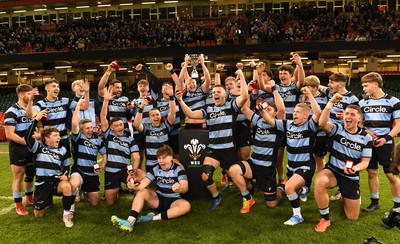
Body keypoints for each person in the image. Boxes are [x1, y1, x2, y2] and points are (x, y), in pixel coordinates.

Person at [176, 68, 248, 211]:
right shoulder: (208, 109)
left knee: (235, 177)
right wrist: (180, 100)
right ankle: (216, 197)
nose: (215, 93)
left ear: (225, 95)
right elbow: (190, 114)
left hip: (228, 149)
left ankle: (247, 195)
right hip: (214, 150)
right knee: (205, 176)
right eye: (214, 92)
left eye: (218, 92)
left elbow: (244, 97)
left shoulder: (231, 106)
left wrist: (241, 76)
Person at [261, 87, 320, 225]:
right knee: (289, 190)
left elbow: (318, 112)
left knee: (289, 188)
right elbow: (270, 121)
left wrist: (309, 95)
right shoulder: (288, 125)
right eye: (294, 111)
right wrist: (262, 110)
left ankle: (298, 216)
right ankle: (303, 188)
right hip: (291, 167)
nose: (294, 114)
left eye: (298, 112)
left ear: (305, 116)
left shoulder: (310, 126)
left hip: (305, 166)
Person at [314, 94, 372, 232]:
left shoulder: (366, 138)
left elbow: (365, 162)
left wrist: (356, 168)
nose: (348, 116)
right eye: (346, 113)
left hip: (350, 176)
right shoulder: (338, 129)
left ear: (359, 118)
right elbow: (322, 123)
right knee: (320, 181)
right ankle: (325, 218)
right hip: (333, 171)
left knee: (352, 217)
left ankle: (346, 196)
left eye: (352, 114)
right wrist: (331, 102)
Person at [229, 83, 285, 213]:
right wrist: (247, 91)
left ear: (276, 113)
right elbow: (244, 109)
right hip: (253, 164)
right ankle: (247, 197)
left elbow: (282, 110)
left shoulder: (279, 125)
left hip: (267, 169)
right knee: (233, 170)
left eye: (270, 110)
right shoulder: (259, 121)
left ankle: (280, 189)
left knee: (272, 204)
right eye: (266, 109)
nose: (266, 111)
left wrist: (275, 90)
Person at [111, 145, 190, 233]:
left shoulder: (178, 170)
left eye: (164, 158)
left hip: (174, 201)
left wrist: (179, 188)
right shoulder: (156, 169)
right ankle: (130, 222)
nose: (161, 161)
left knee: (186, 205)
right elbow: (143, 183)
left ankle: (153, 217)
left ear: (171, 157)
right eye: (159, 158)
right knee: (142, 192)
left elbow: (185, 187)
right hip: (158, 199)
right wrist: (134, 187)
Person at [24, 109, 78, 228]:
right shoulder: (37, 147)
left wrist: (65, 174)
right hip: (42, 183)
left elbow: (67, 165)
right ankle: (47, 202)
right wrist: (36, 119)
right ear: (46, 138)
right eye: (55, 135)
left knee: (66, 185)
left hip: (56, 181)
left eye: (58, 135)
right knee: (39, 215)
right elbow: (27, 137)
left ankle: (66, 215)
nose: (58, 137)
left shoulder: (63, 150)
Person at [358, 72, 400, 212]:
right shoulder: (362, 102)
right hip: (369, 144)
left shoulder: (393, 101)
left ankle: (398, 205)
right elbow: (360, 123)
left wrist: (386, 139)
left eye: (365, 85)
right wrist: (365, 131)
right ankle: (374, 202)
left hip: (386, 144)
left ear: (375, 84)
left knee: (391, 174)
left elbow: (399, 124)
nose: (363, 88)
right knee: (371, 172)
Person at [263, 53, 305, 186]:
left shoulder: (295, 87)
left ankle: (297, 179)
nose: (282, 75)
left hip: (294, 125)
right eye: (280, 73)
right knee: (278, 156)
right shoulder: (276, 87)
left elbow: (302, 81)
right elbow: (262, 87)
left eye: (285, 73)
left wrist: (299, 64)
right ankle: (281, 178)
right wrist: (258, 74)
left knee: (295, 155)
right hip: (280, 125)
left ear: (290, 75)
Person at [321, 72, 359, 201]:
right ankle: (332, 184)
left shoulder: (352, 99)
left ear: (341, 83)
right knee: (331, 159)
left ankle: (343, 189)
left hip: (343, 135)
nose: (329, 84)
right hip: (329, 132)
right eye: (329, 82)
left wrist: (343, 117)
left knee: (342, 160)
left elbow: (356, 118)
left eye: (332, 82)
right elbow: (315, 85)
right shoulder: (328, 93)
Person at [100, 87, 140, 205]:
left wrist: (133, 170)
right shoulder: (108, 134)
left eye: (121, 124)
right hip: (111, 171)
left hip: (125, 171)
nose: (120, 127)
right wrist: (106, 101)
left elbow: (137, 158)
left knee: (142, 176)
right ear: (112, 127)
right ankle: (117, 189)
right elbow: (103, 117)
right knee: (110, 202)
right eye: (116, 125)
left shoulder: (130, 139)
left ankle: (137, 190)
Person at [4, 84, 37, 216]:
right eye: (29, 94)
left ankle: (29, 198)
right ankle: (18, 205)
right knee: (18, 176)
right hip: (18, 147)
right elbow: (10, 134)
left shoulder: (31, 109)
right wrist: (25, 141)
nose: (31, 96)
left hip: (30, 146)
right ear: (21, 95)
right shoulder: (11, 111)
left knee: (30, 174)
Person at [70, 98, 107, 206]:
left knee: (94, 203)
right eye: (87, 128)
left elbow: (105, 154)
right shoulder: (77, 137)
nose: (90, 129)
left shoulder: (98, 140)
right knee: (73, 184)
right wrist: (77, 106)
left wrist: (103, 165)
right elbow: (74, 123)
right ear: (81, 130)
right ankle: (78, 188)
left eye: (91, 127)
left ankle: (84, 190)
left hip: (92, 173)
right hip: (79, 170)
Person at [133, 83, 176, 171]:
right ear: (149, 118)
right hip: (151, 164)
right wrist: (141, 107)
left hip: (165, 162)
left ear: (160, 116)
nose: (155, 117)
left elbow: (172, 113)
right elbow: (136, 125)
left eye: (157, 115)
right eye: (153, 115)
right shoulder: (147, 128)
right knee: (151, 184)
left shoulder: (166, 125)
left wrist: (171, 97)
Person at [29, 78, 72, 158]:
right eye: (53, 86)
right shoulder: (41, 104)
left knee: (65, 164)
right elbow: (30, 114)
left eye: (58, 87)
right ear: (47, 88)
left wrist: (86, 93)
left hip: (63, 139)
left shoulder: (65, 101)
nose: (56, 88)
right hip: (48, 140)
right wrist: (31, 99)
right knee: (50, 164)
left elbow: (84, 106)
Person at [98, 61, 132, 136]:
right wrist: (108, 71)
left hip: (125, 131)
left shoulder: (125, 99)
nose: (120, 89)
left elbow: (129, 116)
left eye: (120, 87)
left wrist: (130, 108)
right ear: (111, 87)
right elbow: (101, 87)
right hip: (111, 132)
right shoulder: (106, 98)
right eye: (117, 87)